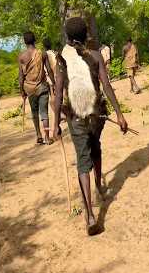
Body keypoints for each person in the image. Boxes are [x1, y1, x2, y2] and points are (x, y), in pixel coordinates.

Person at [53, 17, 129, 236]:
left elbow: (58, 93)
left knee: (83, 161)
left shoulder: (62, 61)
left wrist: (56, 123)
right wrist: (120, 114)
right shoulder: (95, 56)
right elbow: (106, 85)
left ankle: (90, 215)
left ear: (68, 38)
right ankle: (98, 185)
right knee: (95, 147)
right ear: (87, 35)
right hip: (97, 115)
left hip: (76, 118)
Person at [18, 31, 55, 145]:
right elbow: (49, 70)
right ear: (35, 40)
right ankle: (47, 138)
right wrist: (54, 83)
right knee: (44, 113)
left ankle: (39, 136)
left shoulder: (22, 56)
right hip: (42, 87)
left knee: (34, 113)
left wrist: (22, 92)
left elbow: (20, 77)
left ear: (25, 42)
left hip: (29, 88)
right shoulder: (42, 53)